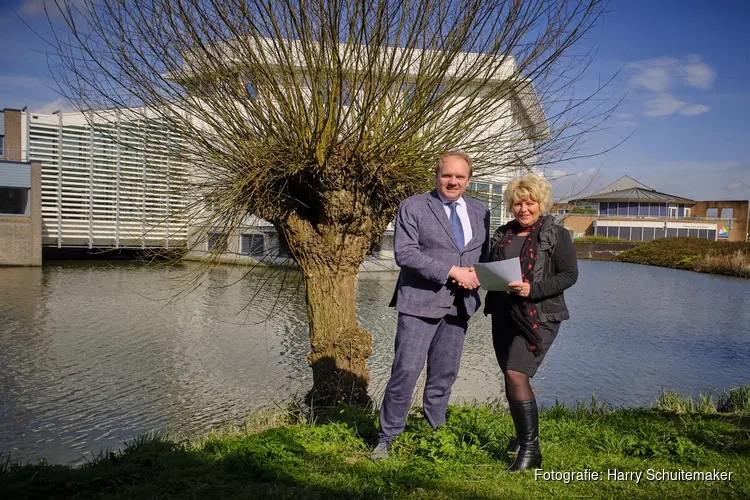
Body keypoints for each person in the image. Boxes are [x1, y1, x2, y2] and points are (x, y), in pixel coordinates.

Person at [370, 151, 490, 460]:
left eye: (459, 177)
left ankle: (437, 429)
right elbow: (405, 253)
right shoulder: (412, 207)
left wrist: (482, 274)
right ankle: (387, 436)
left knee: (444, 374)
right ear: (435, 176)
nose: (453, 181)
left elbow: (485, 256)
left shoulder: (481, 211)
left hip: (461, 305)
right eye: (446, 175)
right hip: (419, 302)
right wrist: (452, 271)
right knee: (406, 371)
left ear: (468, 179)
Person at [484, 173, 578, 472]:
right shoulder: (502, 234)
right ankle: (523, 438)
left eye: (529, 203)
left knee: (515, 373)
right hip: (503, 313)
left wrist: (532, 289)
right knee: (513, 376)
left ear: (541, 203)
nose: (523, 209)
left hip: (539, 315)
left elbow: (568, 275)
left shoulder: (556, 234)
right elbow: (491, 269)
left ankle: (531, 451)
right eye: (517, 204)